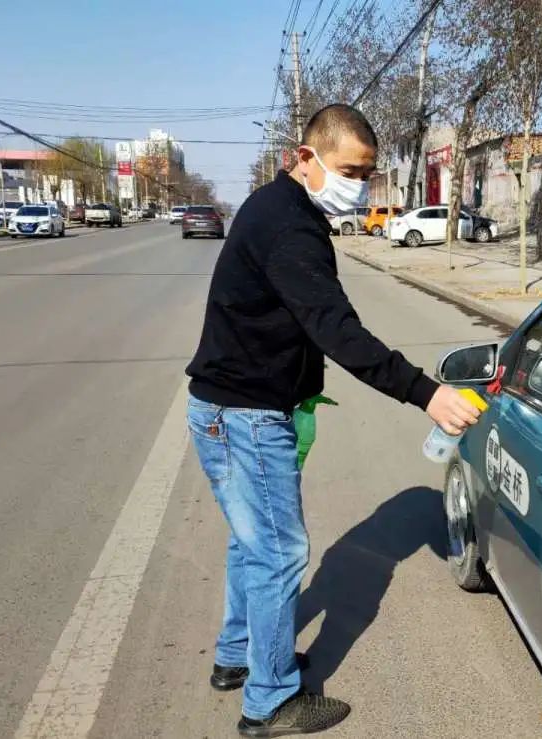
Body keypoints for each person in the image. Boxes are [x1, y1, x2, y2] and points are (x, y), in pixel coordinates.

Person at [185, 104, 481, 736]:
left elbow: (296, 324)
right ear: (306, 156)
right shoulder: (289, 227)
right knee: (280, 553)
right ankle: (269, 702)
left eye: (368, 174)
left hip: (231, 407)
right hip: (245, 416)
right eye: (350, 170)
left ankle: (238, 658)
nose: (359, 185)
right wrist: (425, 393)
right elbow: (336, 329)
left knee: (252, 544)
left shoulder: (276, 209)